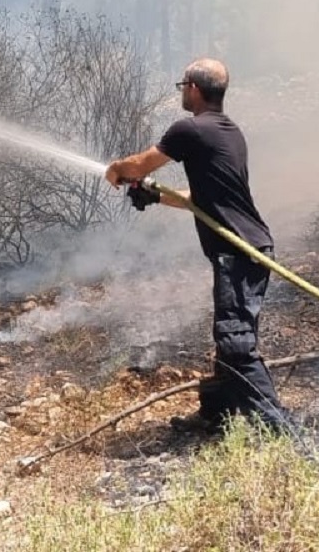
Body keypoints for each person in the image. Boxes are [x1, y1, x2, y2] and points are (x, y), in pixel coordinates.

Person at [104, 58, 293, 435]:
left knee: (236, 342)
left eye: (182, 86)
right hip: (250, 248)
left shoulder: (189, 129)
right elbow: (204, 200)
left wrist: (116, 170)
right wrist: (156, 198)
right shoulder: (230, 131)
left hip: (238, 252)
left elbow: (138, 165)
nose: (181, 93)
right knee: (230, 340)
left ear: (193, 87)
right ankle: (216, 417)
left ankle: (280, 432)